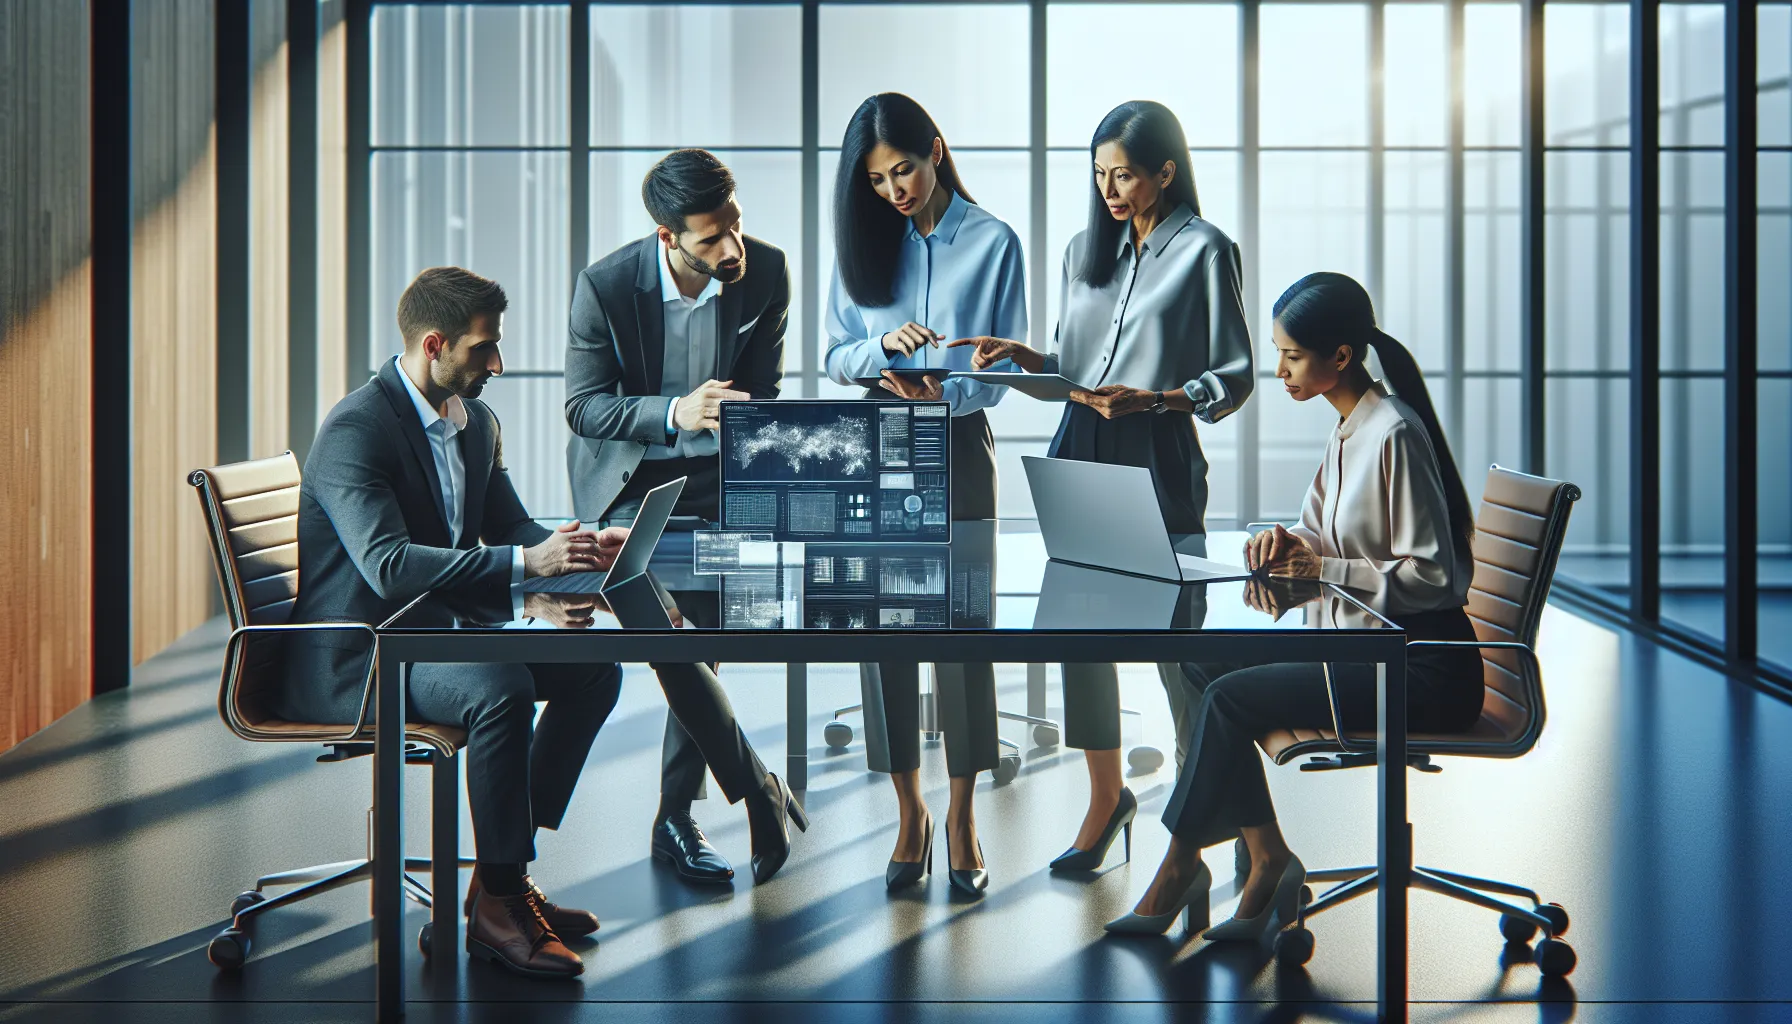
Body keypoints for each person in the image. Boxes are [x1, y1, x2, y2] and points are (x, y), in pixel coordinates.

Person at [284, 267, 804, 980]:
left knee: (592, 671)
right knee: (497, 684)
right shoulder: (356, 429)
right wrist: (527, 571)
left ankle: (494, 884)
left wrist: (582, 545)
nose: (496, 363)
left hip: (430, 636)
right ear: (434, 344)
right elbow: (390, 567)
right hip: (361, 658)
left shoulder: (473, 423)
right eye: (482, 349)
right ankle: (500, 907)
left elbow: (507, 527)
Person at [1103, 271, 1484, 937]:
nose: (1278, 370)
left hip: (1420, 667)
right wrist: (1289, 541)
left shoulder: (1392, 432)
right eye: (1278, 352)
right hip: (1364, 643)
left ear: (1341, 357)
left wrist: (1324, 565)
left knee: (1229, 697)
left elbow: (1438, 579)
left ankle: (1182, 863)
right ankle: (1268, 855)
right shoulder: (1349, 426)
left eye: (1292, 355)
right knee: (1202, 664)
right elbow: (1325, 532)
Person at [950, 100, 1253, 872]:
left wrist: (1159, 398)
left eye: (1124, 174)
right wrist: (1026, 359)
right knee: (1080, 631)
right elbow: (1072, 374)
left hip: (1158, 447)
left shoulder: (1206, 251)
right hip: (1081, 442)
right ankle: (1105, 798)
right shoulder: (1088, 248)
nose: (1110, 188)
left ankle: (1214, 823)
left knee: (1178, 645)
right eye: (1099, 174)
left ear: (1165, 172)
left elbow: (1238, 375)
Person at [564, 149, 800, 889]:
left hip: (719, 479)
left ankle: (675, 816)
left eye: (735, 225)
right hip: (633, 482)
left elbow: (763, 386)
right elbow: (583, 407)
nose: (730, 249)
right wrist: (673, 411)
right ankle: (758, 785)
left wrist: (755, 425)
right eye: (709, 239)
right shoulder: (606, 286)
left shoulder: (764, 270)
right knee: (657, 626)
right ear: (668, 238)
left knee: (706, 635)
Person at [824, 93, 1026, 896]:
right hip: (878, 441)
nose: (893, 191)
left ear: (936, 151)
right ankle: (908, 810)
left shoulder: (993, 241)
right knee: (886, 637)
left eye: (902, 169)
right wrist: (880, 350)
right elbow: (835, 356)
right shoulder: (863, 240)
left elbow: (1005, 374)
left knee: (964, 631)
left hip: (958, 438)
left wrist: (943, 391)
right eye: (875, 180)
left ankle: (963, 812)